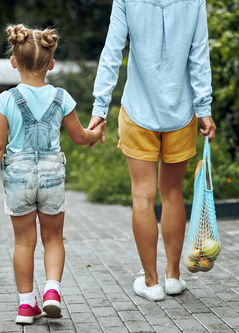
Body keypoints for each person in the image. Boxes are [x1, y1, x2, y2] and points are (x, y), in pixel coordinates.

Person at [89, 0, 217, 301]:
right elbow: (199, 55)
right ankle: (174, 277)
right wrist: (204, 108)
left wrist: (100, 108)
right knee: (172, 192)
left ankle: (151, 282)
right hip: (181, 112)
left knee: (142, 196)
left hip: (138, 110)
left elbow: (112, 51)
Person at [0, 24, 105, 324]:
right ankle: (51, 292)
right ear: (52, 63)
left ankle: (25, 306)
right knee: (53, 239)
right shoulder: (61, 97)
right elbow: (79, 136)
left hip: (18, 178)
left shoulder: (5, 101)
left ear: (13, 62)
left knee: (23, 243)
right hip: (51, 176)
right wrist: (94, 133)